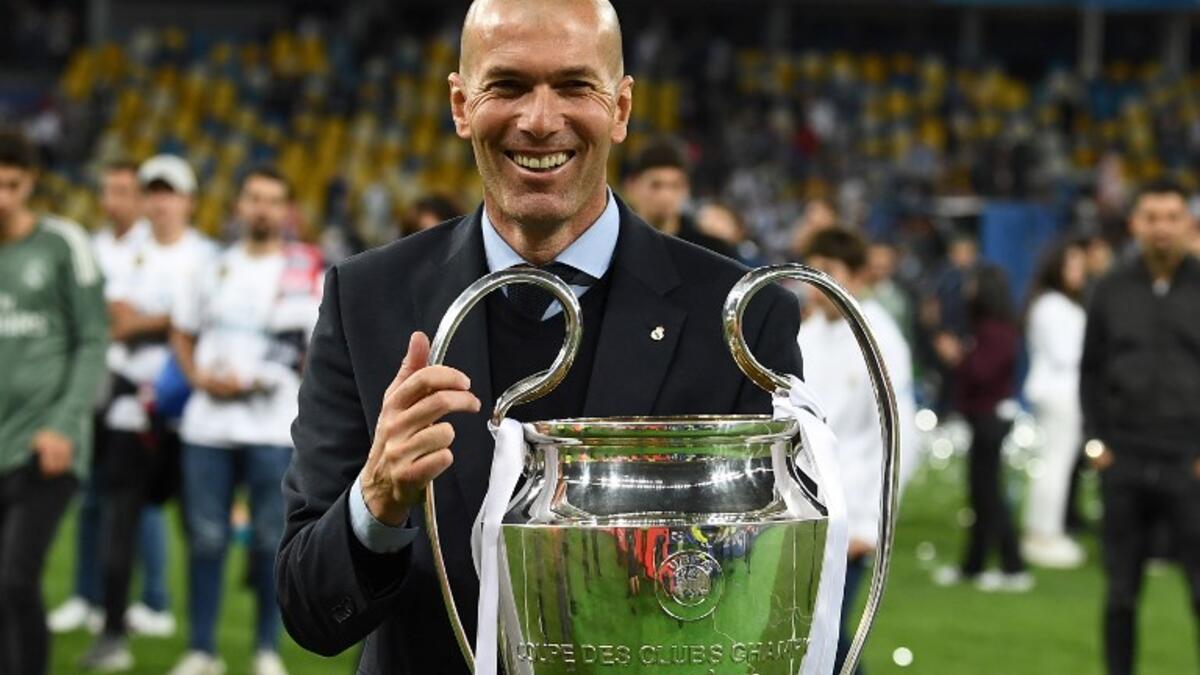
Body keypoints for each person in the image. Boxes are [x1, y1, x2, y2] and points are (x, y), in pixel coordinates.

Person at [275, 1, 803, 673]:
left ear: (621, 107)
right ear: (462, 105)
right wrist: (375, 503)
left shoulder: (741, 317)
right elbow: (309, 611)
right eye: (509, 85)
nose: (540, 119)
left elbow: (765, 598)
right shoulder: (367, 299)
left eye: (575, 86)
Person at [166, 166, 320, 675]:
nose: (262, 209)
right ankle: (201, 650)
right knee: (205, 540)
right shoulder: (211, 267)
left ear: (286, 211)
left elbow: (313, 348)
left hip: (272, 428)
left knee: (270, 542)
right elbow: (182, 331)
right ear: (238, 205)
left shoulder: (304, 271)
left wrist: (265, 380)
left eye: (272, 200)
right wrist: (198, 378)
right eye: (254, 198)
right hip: (207, 426)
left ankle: (265, 650)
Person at [81, 154, 217, 671]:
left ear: (189, 201)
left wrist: (156, 323)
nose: (160, 203)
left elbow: (196, 326)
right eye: (153, 192)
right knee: (120, 520)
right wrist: (170, 323)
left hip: (190, 410)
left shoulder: (207, 256)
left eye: (169, 193)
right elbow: (115, 317)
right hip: (130, 408)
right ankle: (113, 632)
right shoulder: (128, 251)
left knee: (201, 532)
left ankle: (198, 644)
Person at [49, 160, 175, 638]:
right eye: (107, 190)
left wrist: (123, 317)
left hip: (141, 389)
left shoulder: (154, 247)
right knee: (89, 493)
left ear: (140, 198)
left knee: (140, 503)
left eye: (123, 190)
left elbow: (133, 314)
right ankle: (87, 595)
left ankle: (154, 599)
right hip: (95, 382)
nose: (112, 200)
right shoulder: (92, 246)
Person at [1081, 179, 1200, 675]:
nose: (1161, 228)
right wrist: (1096, 442)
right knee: (1121, 594)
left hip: (1189, 461)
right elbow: (1091, 370)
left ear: (1187, 224)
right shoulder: (1110, 289)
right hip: (1124, 458)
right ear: (1135, 224)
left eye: (1171, 217)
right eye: (1152, 217)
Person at [0, 129, 108, 675]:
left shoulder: (64, 243)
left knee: (15, 579)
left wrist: (64, 424)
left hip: (45, 444)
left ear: (31, 184)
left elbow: (93, 339)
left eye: (11, 185)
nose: (1, 199)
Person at [797, 227, 918, 675]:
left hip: (852, 512)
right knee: (804, 636)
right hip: (806, 508)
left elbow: (899, 437)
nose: (816, 284)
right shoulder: (806, 332)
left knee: (832, 640)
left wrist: (872, 521)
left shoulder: (879, 337)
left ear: (857, 276)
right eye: (811, 272)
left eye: (828, 271)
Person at [933, 265, 1031, 592]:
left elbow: (983, 373)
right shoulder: (987, 328)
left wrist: (957, 357)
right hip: (984, 418)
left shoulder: (996, 330)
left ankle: (1012, 566)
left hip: (991, 418)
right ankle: (974, 566)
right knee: (981, 495)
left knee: (989, 496)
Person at [1020, 238, 1089, 569]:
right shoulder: (1053, 306)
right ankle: (1043, 534)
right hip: (1061, 391)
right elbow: (1066, 354)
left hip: (1060, 389)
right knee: (1055, 465)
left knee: (1055, 464)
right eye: (1072, 265)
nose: (1079, 272)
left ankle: (1045, 530)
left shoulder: (1055, 304)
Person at [622, 136, 739, 259]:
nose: (666, 195)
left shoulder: (710, 250)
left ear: (687, 188)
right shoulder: (617, 245)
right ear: (632, 186)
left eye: (675, 185)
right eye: (656, 185)